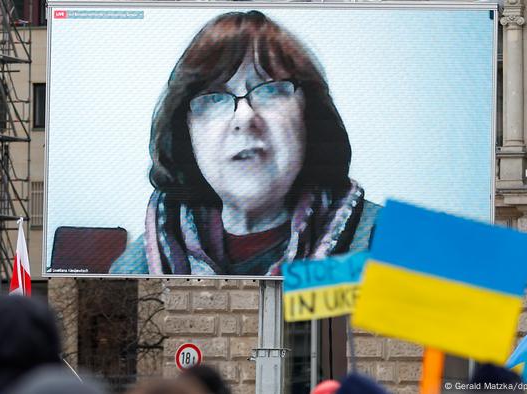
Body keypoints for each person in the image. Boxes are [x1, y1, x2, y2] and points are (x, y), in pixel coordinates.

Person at [110, 10, 380, 276]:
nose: (244, 117)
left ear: (308, 117)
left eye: (270, 89)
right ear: (187, 134)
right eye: (214, 97)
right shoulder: (132, 268)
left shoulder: (402, 241)